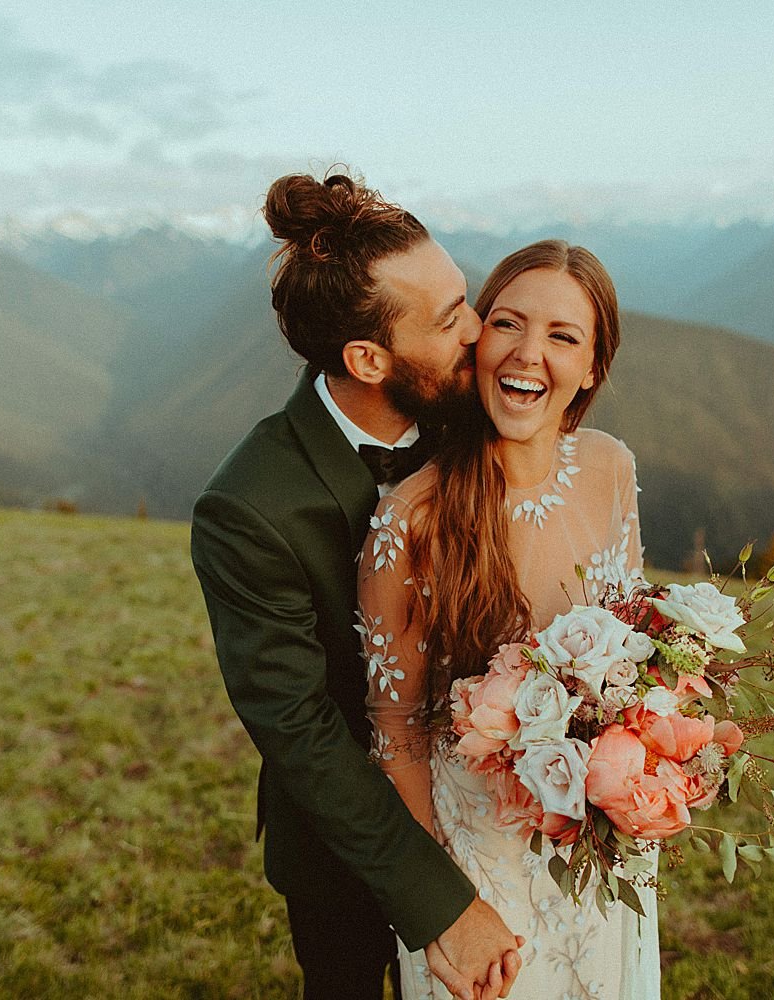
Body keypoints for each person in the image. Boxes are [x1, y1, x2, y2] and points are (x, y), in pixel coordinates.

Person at [190, 169, 524, 1000]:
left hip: (499, 803)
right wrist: (439, 904)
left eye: (466, 301)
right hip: (345, 844)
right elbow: (299, 730)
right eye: (449, 320)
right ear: (368, 358)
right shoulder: (248, 507)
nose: (479, 333)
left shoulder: (477, 413)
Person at [358, 240, 659, 999]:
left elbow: (639, 645)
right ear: (476, 337)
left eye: (563, 336)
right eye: (508, 323)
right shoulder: (412, 520)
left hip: (601, 844)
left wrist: (669, 747)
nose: (528, 354)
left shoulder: (610, 467)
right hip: (480, 867)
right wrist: (443, 907)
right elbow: (395, 738)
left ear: (592, 367)